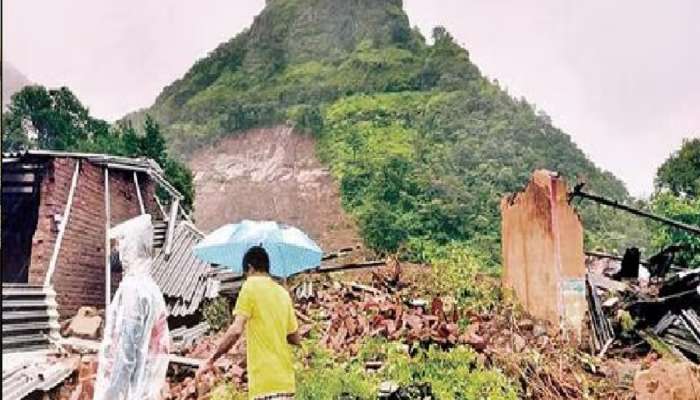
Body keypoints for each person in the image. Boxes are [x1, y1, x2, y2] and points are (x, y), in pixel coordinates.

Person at [197, 246, 301, 399]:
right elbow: (295, 338)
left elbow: (236, 330)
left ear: (250, 268)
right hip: (286, 383)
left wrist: (212, 359)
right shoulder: (282, 293)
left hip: (264, 384)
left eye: (245, 274)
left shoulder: (250, 286)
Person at [94, 214, 170, 400]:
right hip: (144, 389)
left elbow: (125, 352)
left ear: (129, 247)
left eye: (118, 246)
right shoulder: (151, 289)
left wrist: (111, 396)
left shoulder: (133, 290)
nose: (114, 252)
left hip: (127, 392)